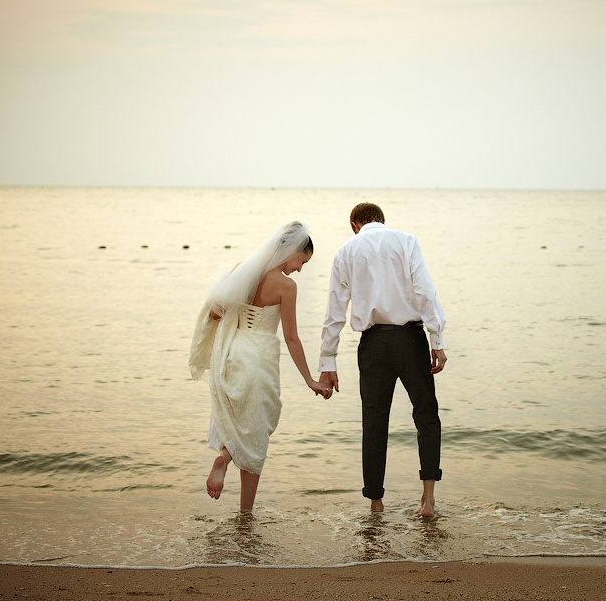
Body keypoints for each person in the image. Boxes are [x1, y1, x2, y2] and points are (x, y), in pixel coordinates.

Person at [189, 221, 331, 511]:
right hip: (259, 358)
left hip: (232, 355)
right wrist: (310, 380)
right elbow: (291, 337)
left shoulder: (243, 272)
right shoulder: (285, 286)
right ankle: (245, 511)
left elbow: (215, 313)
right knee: (254, 433)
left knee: (239, 424)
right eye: (302, 261)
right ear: (291, 250)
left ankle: (226, 463)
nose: (300, 269)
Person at [319, 203, 447, 518]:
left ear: (354, 224)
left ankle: (376, 504)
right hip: (409, 340)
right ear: (383, 221)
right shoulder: (406, 241)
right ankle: (427, 500)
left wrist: (328, 362)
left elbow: (335, 311)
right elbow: (425, 291)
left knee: (374, 423)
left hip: (372, 344)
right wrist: (437, 339)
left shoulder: (345, 251)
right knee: (426, 415)